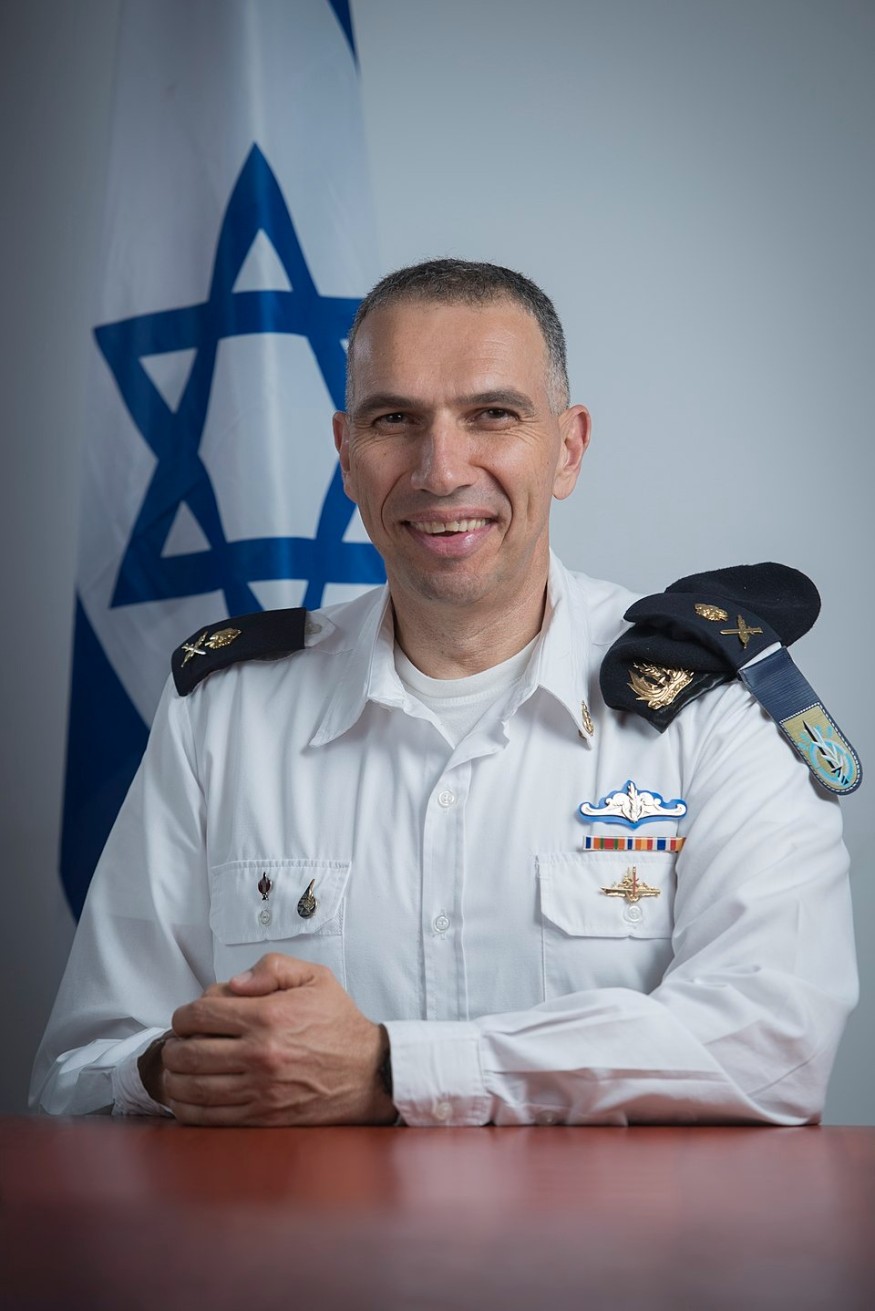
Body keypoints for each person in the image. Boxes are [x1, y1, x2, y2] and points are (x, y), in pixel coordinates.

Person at [31, 259, 857, 1126]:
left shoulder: (714, 708)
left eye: (491, 414)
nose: (440, 469)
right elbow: (82, 1064)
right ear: (345, 453)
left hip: (609, 1223)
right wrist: (186, 1065)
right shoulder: (225, 712)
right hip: (298, 1220)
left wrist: (394, 1069)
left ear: (568, 447)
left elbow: (776, 1043)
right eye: (395, 419)